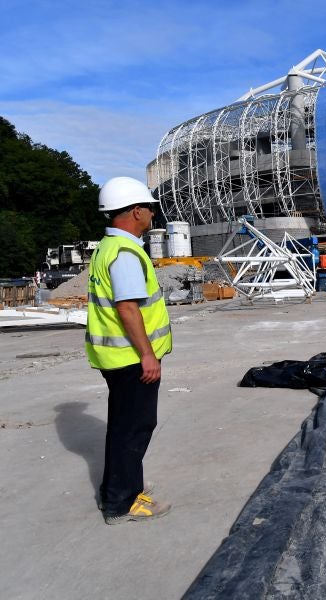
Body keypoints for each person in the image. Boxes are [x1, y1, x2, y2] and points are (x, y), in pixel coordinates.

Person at [85, 176, 173, 525]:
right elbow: (127, 308)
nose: (152, 215)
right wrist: (148, 355)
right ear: (136, 211)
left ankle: (122, 487)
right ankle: (121, 503)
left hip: (116, 357)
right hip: (131, 359)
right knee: (134, 427)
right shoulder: (125, 253)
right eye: (149, 209)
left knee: (124, 426)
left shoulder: (108, 248)